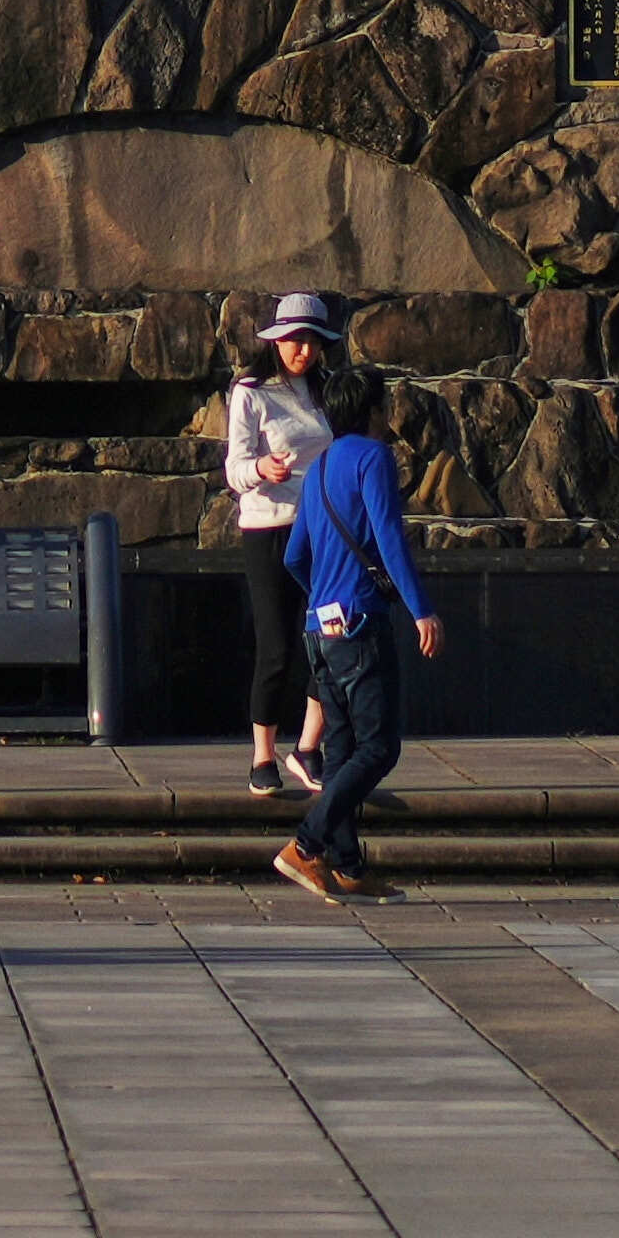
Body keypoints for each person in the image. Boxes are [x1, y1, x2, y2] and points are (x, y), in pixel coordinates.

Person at [273, 365, 440, 905]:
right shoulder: (373, 458)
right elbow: (389, 537)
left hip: (318, 629)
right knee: (380, 746)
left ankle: (346, 866)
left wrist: (322, 592)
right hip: (361, 624)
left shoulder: (319, 469)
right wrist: (421, 610)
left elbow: (294, 555)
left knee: (342, 750)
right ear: (372, 410)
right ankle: (305, 844)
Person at [222, 296, 342, 794]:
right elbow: (234, 467)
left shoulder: (324, 392)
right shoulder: (251, 392)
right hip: (269, 526)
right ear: (276, 341)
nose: (304, 351)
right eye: (296, 340)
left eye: (312, 342)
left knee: (332, 636)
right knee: (276, 646)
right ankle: (263, 755)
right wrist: (261, 471)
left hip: (322, 526)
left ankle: (308, 748)